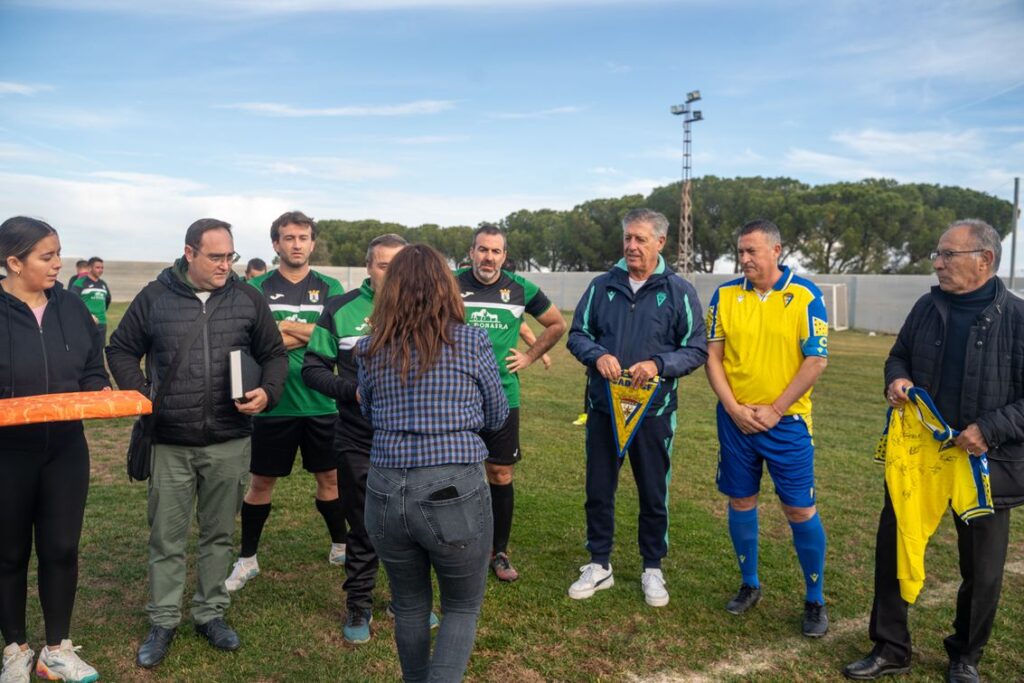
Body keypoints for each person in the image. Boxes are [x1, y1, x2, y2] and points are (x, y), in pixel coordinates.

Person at [843, 219, 1024, 683]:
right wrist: (896, 378)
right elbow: (898, 354)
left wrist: (989, 428)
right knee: (894, 550)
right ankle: (890, 647)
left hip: (986, 464)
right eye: (938, 254)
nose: (938, 263)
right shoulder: (927, 305)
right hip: (919, 459)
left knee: (982, 571)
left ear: (983, 260)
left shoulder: (1019, 319)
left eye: (948, 255)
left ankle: (965, 657)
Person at [106, 218, 288, 669]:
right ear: (189, 254)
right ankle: (163, 619)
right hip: (169, 441)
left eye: (231, 256)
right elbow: (120, 349)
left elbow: (274, 355)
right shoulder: (154, 297)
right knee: (166, 537)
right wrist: (143, 395)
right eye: (216, 257)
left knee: (218, 534)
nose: (226, 265)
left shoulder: (248, 297)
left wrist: (268, 391)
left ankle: (210, 614)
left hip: (228, 440)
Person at [356, 244, 507, 682]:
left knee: (409, 604)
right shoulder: (471, 339)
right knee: (460, 606)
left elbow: (368, 413)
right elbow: (496, 414)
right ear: (446, 286)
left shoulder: (370, 347)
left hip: (385, 487)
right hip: (451, 486)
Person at [566, 208, 707, 607]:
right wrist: (597, 356)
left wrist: (659, 365)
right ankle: (599, 564)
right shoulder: (600, 286)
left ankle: (652, 568)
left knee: (653, 492)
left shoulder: (679, 291)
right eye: (628, 238)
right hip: (603, 409)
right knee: (598, 489)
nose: (631, 245)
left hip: (654, 413)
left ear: (661, 243)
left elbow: (696, 348)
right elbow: (577, 334)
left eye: (640, 239)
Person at [704, 219, 830, 637]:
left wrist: (776, 409)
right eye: (740, 251)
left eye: (752, 251)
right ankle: (749, 584)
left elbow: (816, 360)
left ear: (777, 250)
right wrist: (733, 407)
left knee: (799, 508)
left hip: (787, 423)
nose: (744, 259)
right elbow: (714, 358)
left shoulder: (806, 294)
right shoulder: (723, 296)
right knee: (741, 501)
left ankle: (814, 599)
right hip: (735, 421)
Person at [0, 217, 109, 683]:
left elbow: (90, 367)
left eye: (58, 253)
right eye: (46, 256)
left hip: (65, 448)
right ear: (13, 262)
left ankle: (56, 649)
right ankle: (14, 648)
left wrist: (100, 391)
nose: (58, 264)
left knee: (61, 547)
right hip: (7, 453)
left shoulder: (69, 305)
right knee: (8, 553)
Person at [224, 211, 346, 593]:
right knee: (260, 483)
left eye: (303, 237)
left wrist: (285, 328)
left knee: (330, 478)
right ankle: (247, 559)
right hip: (271, 402)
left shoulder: (330, 287)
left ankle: (341, 545)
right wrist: (308, 333)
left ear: (312, 242)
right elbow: (251, 340)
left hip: (322, 402)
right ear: (275, 244)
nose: (296, 244)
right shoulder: (255, 288)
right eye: (288, 237)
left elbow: (334, 336)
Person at [302, 233, 407, 644]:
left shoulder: (424, 308)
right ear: (369, 267)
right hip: (358, 439)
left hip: (411, 441)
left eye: (399, 265)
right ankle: (359, 605)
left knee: (409, 525)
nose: (392, 273)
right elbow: (313, 368)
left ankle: (407, 599)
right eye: (384, 265)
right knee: (364, 526)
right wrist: (354, 392)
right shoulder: (341, 309)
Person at [456, 224, 566, 582]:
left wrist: (530, 357)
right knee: (454, 471)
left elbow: (555, 324)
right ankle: (455, 545)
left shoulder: (520, 289)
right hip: (454, 395)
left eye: (496, 251)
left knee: (499, 472)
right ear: (471, 251)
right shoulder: (448, 283)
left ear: (505, 255)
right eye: (482, 250)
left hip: (503, 394)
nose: (489, 257)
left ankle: (498, 551)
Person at [69, 256, 111, 344]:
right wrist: (87, 315)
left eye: (102, 267)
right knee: (84, 349)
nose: (100, 270)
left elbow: (107, 300)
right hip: (85, 323)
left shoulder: (103, 284)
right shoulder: (80, 282)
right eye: (97, 267)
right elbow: (72, 302)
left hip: (101, 323)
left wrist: (100, 312)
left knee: (99, 350)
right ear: (90, 268)